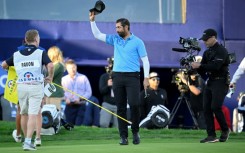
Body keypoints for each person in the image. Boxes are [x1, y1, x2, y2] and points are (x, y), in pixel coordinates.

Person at [89, 12, 150, 145]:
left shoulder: (138, 42)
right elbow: (97, 35)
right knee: (120, 107)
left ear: (127, 27)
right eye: (116, 27)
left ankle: (135, 131)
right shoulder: (115, 39)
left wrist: (146, 78)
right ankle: (123, 137)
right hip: (117, 76)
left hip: (133, 77)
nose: (116, 30)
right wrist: (92, 21)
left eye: (119, 27)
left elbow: (145, 61)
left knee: (134, 104)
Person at [1, 29, 54, 150]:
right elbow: (50, 65)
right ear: (36, 39)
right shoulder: (40, 53)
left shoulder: (16, 54)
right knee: (33, 114)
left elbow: (4, 64)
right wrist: (50, 77)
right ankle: (29, 142)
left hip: (22, 87)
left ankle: (26, 140)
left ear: (26, 40)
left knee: (23, 113)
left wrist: (10, 70)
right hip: (35, 86)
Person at [191, 28, 230, 143]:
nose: (205, 42)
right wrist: (194, 68)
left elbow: (215, 66)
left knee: (215, 107)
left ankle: (225, 130)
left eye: (206, 39)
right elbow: (203, 70)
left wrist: (199, 66)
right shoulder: (207, 52)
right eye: (204, 40)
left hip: (221, 81)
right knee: (206, 108)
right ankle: (211, 135)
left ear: (213, 38)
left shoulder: (221, 50)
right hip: (211, 82)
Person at [61, 59, 92, 126]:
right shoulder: (63, 79)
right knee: (69, 126)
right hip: (69, 106)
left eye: (73, 67)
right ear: (66, 69)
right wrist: (65, 99)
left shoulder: (83, 78)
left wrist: (80, 98)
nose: (72, 70)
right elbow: (61, 93)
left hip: (81, 105)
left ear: (76, 67)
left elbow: (89, 92)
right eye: (70, 68)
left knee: (78, 126)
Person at [99, 57, 118, 128]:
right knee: (103, 124)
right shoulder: (104, 77)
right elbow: (101, 91)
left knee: (118, 127)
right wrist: (108, 86)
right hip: (107, 104)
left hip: (118, 105)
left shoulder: (121, 77)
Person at [46, 46, 65, 110]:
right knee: (47, 115)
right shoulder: (53, 65)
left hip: (55, 93)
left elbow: (49, 76)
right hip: (49, 92)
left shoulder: (59, 65)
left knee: (54, 115)